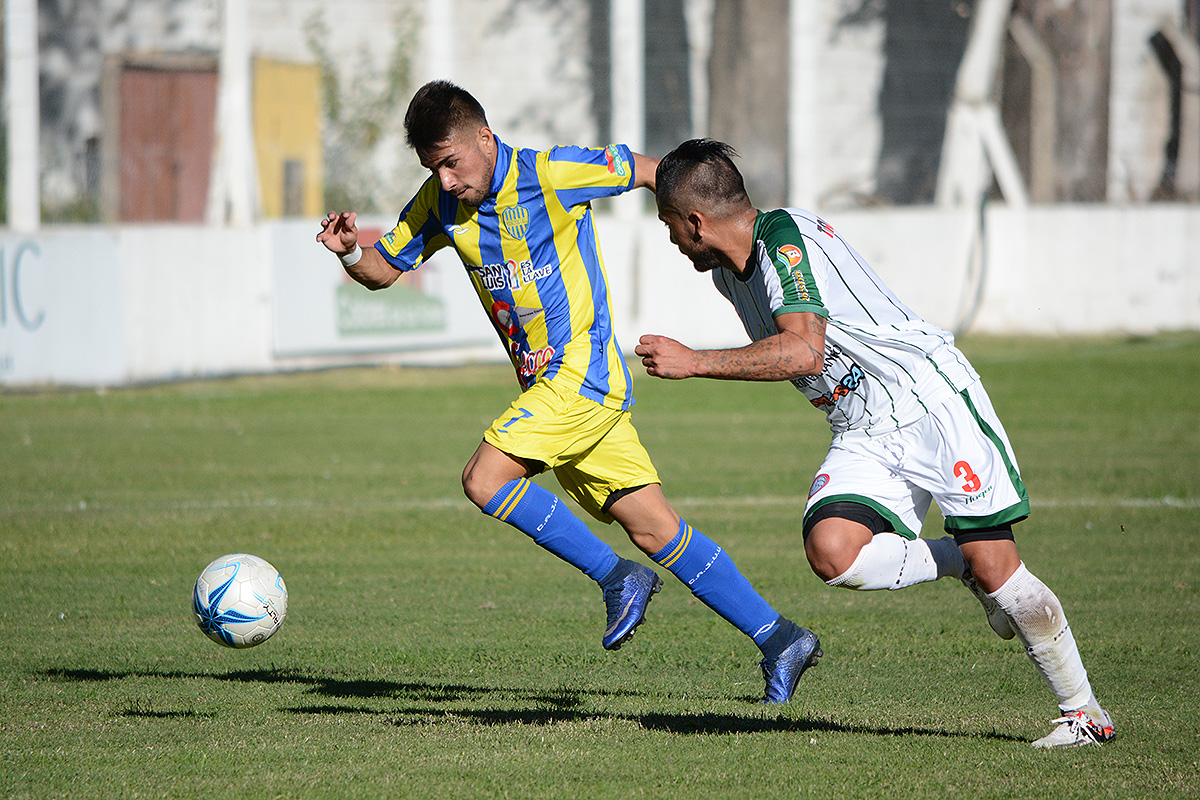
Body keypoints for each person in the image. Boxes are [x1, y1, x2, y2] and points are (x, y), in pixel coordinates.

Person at [315, 82, 820, 703]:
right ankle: (780, 638)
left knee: (485, 479)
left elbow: (651, 170)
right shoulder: (438, 206)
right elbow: (383, 269)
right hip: (559, 392)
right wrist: (349, 253)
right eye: (432, 168)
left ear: (484, 136)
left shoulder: (552, 173)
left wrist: (722, 225)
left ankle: (616, 579)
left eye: (451, 162)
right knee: (657, 530)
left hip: (581, 374)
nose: (445, 180)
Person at [635, 138, 1115, 747]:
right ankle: (955, 561)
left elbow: (805, 348)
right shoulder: (731, 271)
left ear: (696, 220)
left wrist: (695, 362)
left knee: (1000, 566)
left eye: (671, 224)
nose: (672, 239)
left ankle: (1086, 716)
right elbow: (673, 176)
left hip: (929, 404)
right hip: (864, 427)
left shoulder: (783, 241)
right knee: (833, 552)